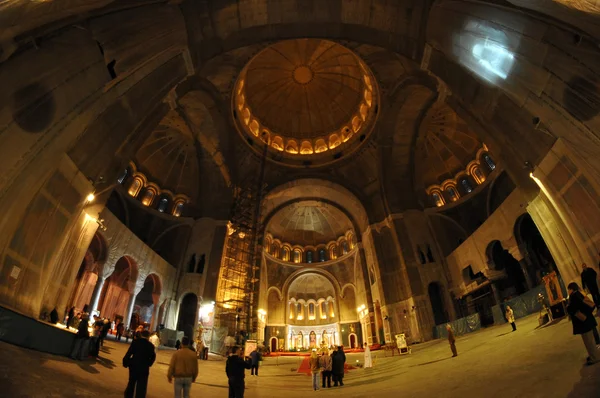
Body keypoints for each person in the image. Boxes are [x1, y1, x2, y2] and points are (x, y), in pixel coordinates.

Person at [567, 282, 600, 365]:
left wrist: (571, 309)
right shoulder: (580, 293)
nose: (568, 291)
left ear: (571, 289)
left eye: (569, 289)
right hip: (587, 320)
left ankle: (594, 358)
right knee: (590, 340)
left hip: (584, 322)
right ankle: (594, 355)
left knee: (589, 341)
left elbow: (573, 307)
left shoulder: (574, 296)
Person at [123, 330, 156, 398]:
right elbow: (153, 357)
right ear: (148, 336)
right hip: (144, 368)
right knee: (142, 386)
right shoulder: (151, 346)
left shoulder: (135, 342)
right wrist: (149, 364)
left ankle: (128, 395)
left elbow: (129, 353)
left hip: (134, 366)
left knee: (131, 382)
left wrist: (126, 362)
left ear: (141, 335)